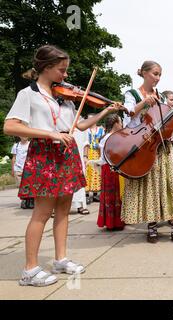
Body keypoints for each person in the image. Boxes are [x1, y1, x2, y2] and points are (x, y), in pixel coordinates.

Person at [3, 45, 123, 287]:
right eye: (62, 70)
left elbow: (78, 126)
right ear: (46, 68)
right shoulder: (29, 94)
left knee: (64, 211)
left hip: (66, 154)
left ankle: (60, 258)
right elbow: (11, 126)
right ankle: (30, 270)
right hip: (45, 154)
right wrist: (50, 135)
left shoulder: (64, 98)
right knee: (42, 213)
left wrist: (105, 111)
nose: (66, 76)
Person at [121, 60, 173, 246]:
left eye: (160, 75)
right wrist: (144, 102)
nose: (157, 78)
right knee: (151, 188)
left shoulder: (160, 96)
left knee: (172, 185)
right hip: (144, 146)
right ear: (143, 73)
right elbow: (128, 114)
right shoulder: (132, 93)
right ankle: (152, 227)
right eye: (155, 74)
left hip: (163, 146)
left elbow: (166, 121)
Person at [97, 114, 125, 231]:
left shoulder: (114, 136)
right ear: (116, 124)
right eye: (120, 122)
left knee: (115, 195)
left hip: (112, 167)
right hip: (111, 168)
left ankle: (115, 221)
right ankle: (113, 222)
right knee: (112, 195)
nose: (122, 124)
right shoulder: (109, 137)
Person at [84, 115, 104, 204]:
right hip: (89, 153)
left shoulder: (101, 130)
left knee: (97, 172)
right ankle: (87, 194)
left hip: (97, 153)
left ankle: (96, 194)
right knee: (87, 173)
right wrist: (85, 155)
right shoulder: (85, 130)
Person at [71, 125, 89, 215]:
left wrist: (85, 156)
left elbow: (86, 143)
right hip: (63, 155)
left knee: (78, 179)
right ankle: (55, 208)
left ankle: (80, 205)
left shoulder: (82, 124)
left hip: (79, 156)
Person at [11, 137, 32, 209]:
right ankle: (25, 200)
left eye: (26, 135)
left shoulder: (30, 144)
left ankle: (29, 200)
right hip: (18, 168)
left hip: (28, 168)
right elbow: (14, 158)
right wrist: (13, 169)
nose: (24, 136)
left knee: (29, 185)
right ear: (19, 136)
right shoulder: (16, 146)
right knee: (20, 186)